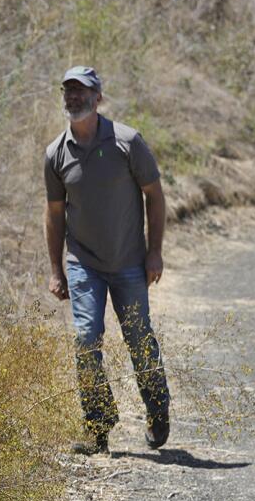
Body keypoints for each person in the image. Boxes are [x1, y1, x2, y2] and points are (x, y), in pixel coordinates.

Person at [44, 66, 170, 454]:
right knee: (86, 340)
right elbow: (54, 213)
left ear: (98, 97)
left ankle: (157, 411)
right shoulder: (56, 154)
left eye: (81, 91)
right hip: (85, 263)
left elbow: (155, 196)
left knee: (138, 337)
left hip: (130, 261)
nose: (74, 97)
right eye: (68, 91)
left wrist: (154, 251)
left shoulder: (127, 142)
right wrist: (56, 269)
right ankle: (98, 429)